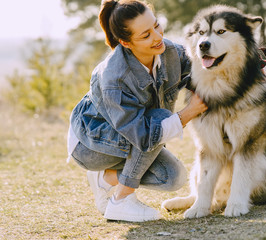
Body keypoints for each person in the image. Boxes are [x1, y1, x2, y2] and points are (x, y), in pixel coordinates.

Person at [67, 0, 207, 222]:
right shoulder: (114, 77)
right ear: (126, 42)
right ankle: (121, 201)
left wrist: (253, 60)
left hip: (132, 136)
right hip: (90, 144)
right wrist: (188, 112)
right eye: (145, 35)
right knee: (160, 121)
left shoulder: (169, 52)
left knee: (173, 177)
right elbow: (143, 135)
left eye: (156, 26)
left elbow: (202, 67)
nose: (157, 36)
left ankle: (104, 179)